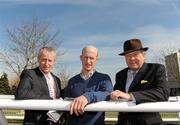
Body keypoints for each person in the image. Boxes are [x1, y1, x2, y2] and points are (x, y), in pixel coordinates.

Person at [110, 38, 170, 125]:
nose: (132, 58)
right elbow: (115, 95)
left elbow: (163, 92)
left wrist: (130, 96)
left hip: (148, 122)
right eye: (128, 55)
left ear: (144, 55)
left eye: (135, 54)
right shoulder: (120, 75)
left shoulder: (156, 69)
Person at [64, 45, 113, 125]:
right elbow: (66, 103)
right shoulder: (72, 81)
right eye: (86, 57)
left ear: (96, 60)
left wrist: (87, 97)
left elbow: (108, 94)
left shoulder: (104, 78)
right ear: (81, 58)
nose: (88, 61)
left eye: (92, 58)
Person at [15, 47, 63, 125]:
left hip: (53, 121)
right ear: (38, 59)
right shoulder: (29, 74)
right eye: (44, 59)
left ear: (54, 62)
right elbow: (21, 93)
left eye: (50, 60)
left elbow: (59, 100)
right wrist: (50, 99)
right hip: (34, 122)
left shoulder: (57, 79)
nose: (46, 64)